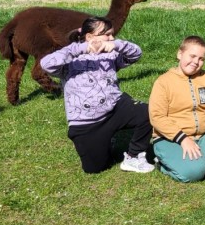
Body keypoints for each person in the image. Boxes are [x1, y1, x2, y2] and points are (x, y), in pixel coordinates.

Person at [40, 16, 152, 174]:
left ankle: (133, 157)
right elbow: (46, 64)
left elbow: (136, 54)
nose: (111, 38)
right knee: (95, 168)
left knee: (149, 113)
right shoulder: (68, 61)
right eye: (107, 34)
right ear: (90, 37)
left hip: (115, 107)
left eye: (112, 34)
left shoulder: (110, 55)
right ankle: (106, 140)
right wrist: (80, 49)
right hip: (86, 122)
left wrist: (115, 45)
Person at [149, 36, 205, 182]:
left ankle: (200, 160)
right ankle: (161, 163)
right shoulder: (163, 82)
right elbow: (156, 117)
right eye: (192, 56)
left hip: (203, 135)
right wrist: (182, 139)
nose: (196, 62)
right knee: (194, 173)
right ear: (179, 54)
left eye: (201, 59)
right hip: (171, 138)